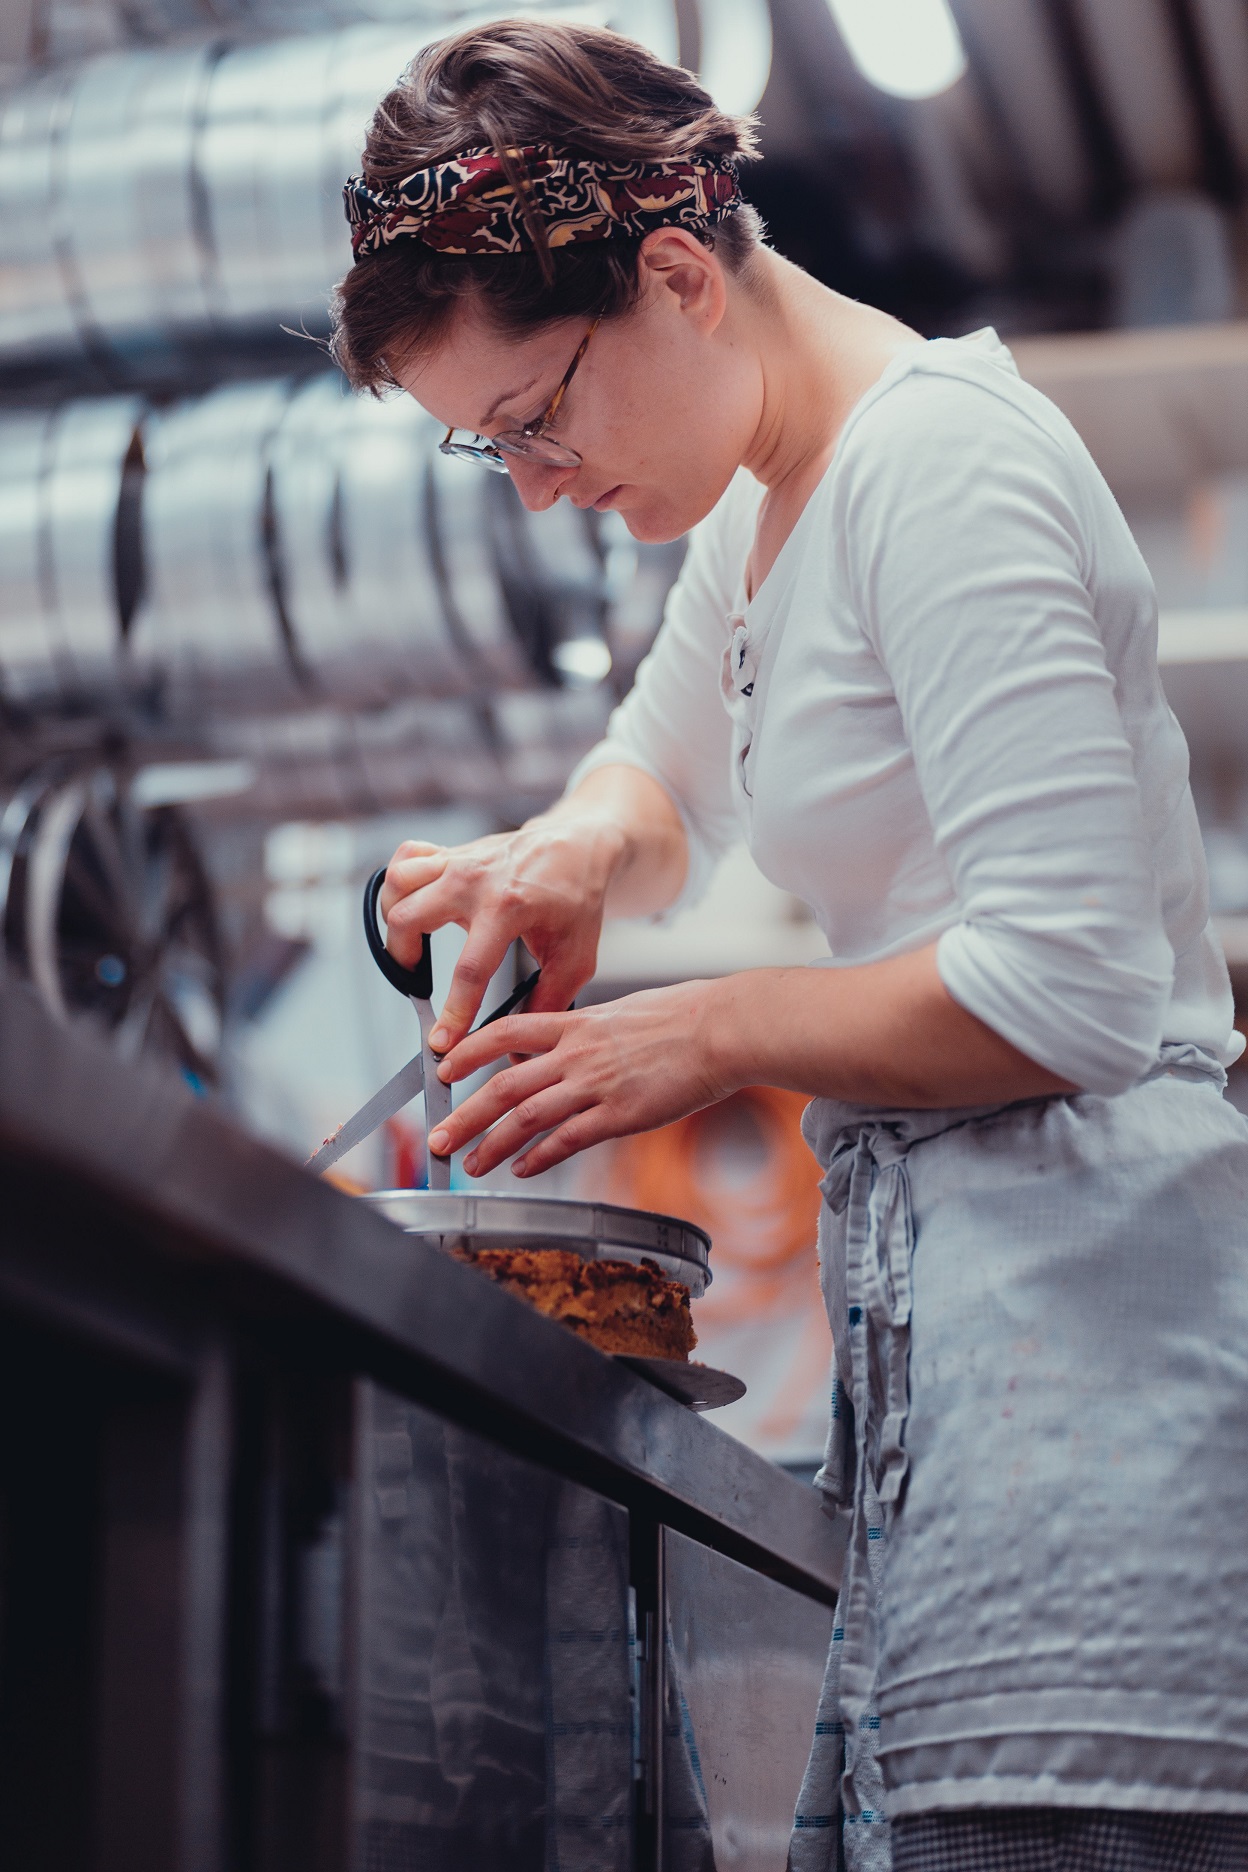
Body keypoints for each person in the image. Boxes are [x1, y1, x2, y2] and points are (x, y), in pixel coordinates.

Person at [331, 20, 1248, 1870]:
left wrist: (696, 1033)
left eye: (535, 421)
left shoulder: (943, 473)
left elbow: (1067, 987)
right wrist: (567, 851)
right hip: (962, 1346)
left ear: (679, 274)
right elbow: (662, 769)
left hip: (1091, 1337)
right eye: (480, 452)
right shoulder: (764, 501)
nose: (531, 482)